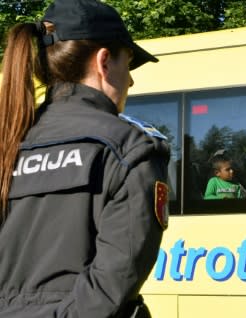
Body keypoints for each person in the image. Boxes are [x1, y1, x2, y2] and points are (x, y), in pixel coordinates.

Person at [0, 1, 170, 317]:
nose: (130, 81)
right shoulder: (130, 149)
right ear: (104, 61)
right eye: (128, 64)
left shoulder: (9, 143)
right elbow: (109, 290)